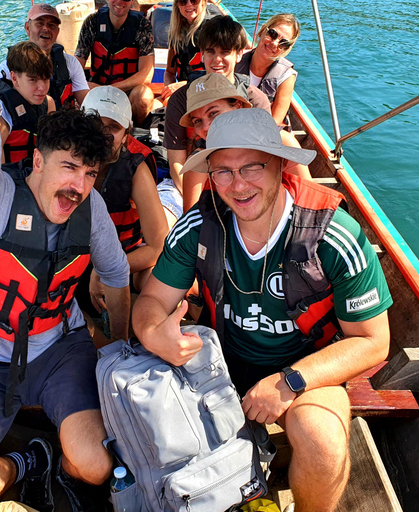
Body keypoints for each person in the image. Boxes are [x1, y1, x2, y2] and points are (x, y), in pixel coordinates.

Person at [0, 2, 131, 512]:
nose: (78, 185)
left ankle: (49, 454)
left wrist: (119, 348)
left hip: (62, 350)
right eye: (68, 167)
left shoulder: (90, 204)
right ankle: (27, 461)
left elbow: (117, 275)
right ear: (36, 159)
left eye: (89, 174)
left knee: (96, 466)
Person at [132, 108, 392, 512]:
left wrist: (288, 382)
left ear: (281, 165)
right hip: (221, 358)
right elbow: (151, 301)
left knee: (323, 442)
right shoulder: (198, 227)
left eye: (252, 167)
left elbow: (374, 342)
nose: (238, 185)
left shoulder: (335, 236)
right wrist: (152, 333)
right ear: (210, 175)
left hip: (305, 367)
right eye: (223, 172)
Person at [162, 15, 269, 224]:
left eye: (225, 52)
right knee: (163, 225)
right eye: (210, 52)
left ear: (239, 55)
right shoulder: (180, 99)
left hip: (242, 186)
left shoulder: (256, 101)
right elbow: (177, 162)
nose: (217, 60)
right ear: (201, 54)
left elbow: (263, 163)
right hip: (186, 184)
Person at [81, 86, 168, 305]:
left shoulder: (135, 170)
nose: (102, 134)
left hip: (124, 255)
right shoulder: (63, 156)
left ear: (126, 134)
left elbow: (158, 246)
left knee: (158, 282)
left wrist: (105, 271)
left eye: (113, 127)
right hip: (74, 258)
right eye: (95, 123)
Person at [180, 73, 312, 213]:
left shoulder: (282, 142)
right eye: (197, 121)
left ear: (237, 107)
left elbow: (308, 200)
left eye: (213, 113)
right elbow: (193, 221)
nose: (206, 127)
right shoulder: (196, 166)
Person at [0, 3, 89, 109]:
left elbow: (86, 102)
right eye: (40, 24)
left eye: (52, 25)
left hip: (65, 122)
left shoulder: (71, 63)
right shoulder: (8, 67)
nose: (46, 28)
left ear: (58, 32)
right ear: (27, 28)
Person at [74, 0, 157, 125]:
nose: (119, 1)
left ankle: (135, 134)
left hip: (127, 90)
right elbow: (76, 66)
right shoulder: (92, 22)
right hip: (96, 86)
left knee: (144, 98)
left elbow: (146, 75)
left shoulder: (142, 26)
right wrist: (87, 87)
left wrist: (108, 89)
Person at [0, 41, 56, 163]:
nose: (42, 88)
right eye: (33, 80)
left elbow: (52, 147)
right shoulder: (1, 112)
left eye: (46, 79)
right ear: (14, 78)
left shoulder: (48, 103)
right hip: (9, 176)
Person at [235, 13, 300, 125]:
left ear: (286, 49)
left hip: (262, 131)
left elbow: (275, 122)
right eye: (272, 34)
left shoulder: (286, 77)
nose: (274, 43)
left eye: (283, 43)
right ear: (262, 31)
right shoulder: (235, 60)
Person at [160, 0, 220, 102]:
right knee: (148, 105)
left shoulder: (213, 31)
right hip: (183, 94)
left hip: (207, 93)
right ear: (177, 5)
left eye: (194, 0)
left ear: (203, 2)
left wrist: (185, 85)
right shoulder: (176, 33)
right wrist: (170, 88)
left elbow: (218, 76)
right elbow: (170, 72)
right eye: (183, 1)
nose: (189, 4)